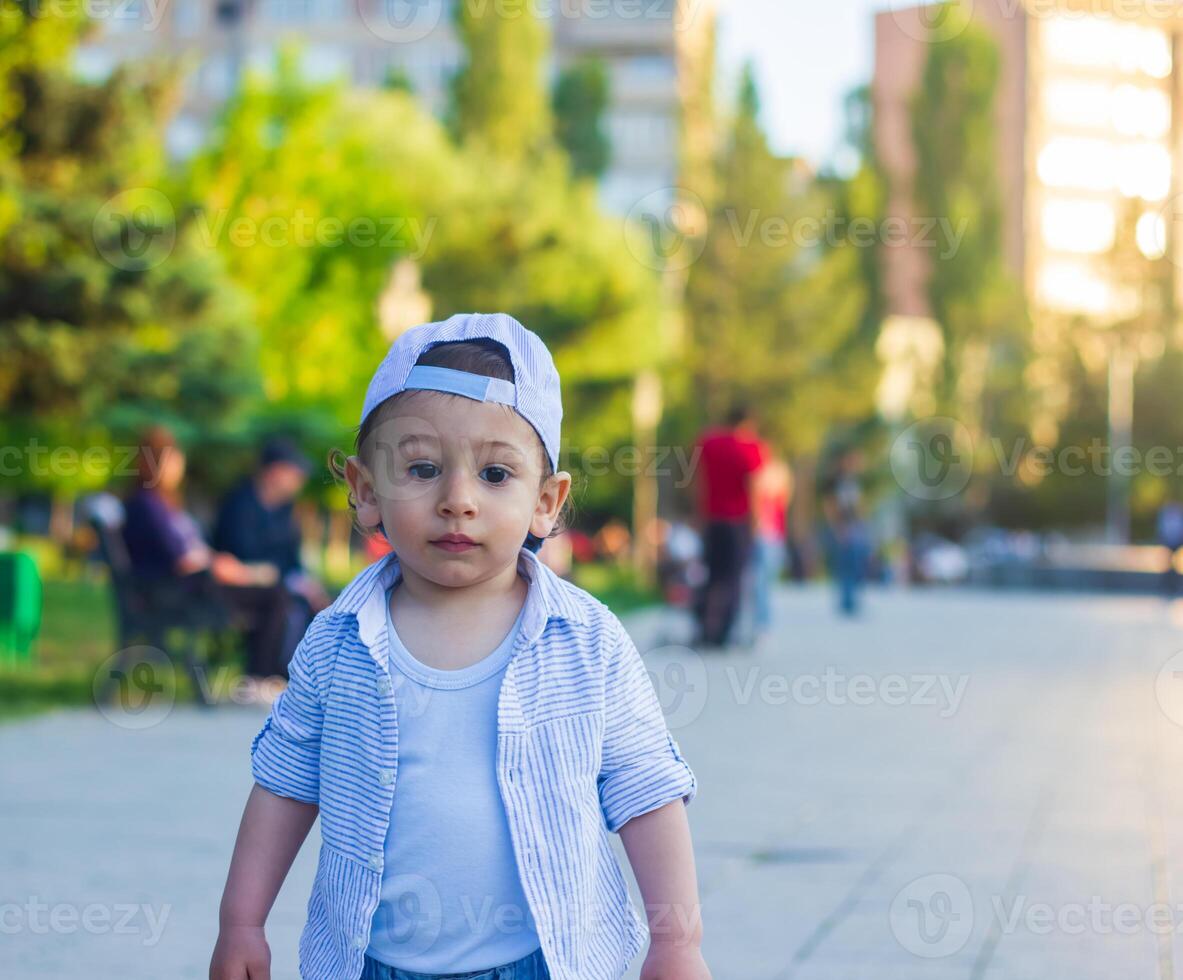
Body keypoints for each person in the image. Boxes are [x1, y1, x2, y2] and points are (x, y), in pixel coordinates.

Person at [210, 314, 708, 980]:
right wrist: (242, 923)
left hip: (543, 961)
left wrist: (676, 943)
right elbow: (284, 786)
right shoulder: (338, 639)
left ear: (546, 502)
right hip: (370, 962)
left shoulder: (585, 643)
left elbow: (647, 792)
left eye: (496, 475)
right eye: (421, 468)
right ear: (365, 492)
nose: (457, 501)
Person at [121, 426, 291, 682]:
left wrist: (226, 566)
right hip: (177, 593)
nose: (179, 468)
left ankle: (261, 677)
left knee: (273, 591)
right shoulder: (146, 506)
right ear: (155, 463)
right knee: (275, 596)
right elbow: (180, 559)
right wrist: (221, 567)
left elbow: (190, 551)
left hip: (191, 586)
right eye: (173, 460)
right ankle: (258, 678)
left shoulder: (163, 505)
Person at [213, 438, 332, 666]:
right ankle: (263, 674)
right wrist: (282, 576)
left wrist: (304, 582)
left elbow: (292, 559)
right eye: (294, 472)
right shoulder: (239, 504)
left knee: (321, 599)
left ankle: (305, 672)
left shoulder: (285, 511)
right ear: (274, 471)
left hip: (276, 582)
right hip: (235, 586)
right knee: (281, 598)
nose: (299, 480)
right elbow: (237, 554)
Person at [691, 405, 767, 648]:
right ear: (747, 424)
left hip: (712, 520)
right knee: (733, 578)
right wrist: (756, 523)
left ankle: (704, 627)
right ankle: (724, 632)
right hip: (738, 522)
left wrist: (699, 515)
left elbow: (697, 481)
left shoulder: (709, 442)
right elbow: (754, 487)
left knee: (711, 575)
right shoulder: (751, 447)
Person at [821, 448, 870, 617]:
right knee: (845, 564)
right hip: (843, 525)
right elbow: (830, 505)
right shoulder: (836, 481)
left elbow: (858, 503)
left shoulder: (854, 480)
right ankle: (846, 601)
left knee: (857, 563)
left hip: (855, 525)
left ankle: (853, 600)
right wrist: (837, 527)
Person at [747, 457, 793, 640]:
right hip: (761, 536)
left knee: (765, 581)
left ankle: (761, 622)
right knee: (759, 581)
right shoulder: (758, 496)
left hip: (775, 536)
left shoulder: (778, 498)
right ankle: (760, 623)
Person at [1158, 493, 1183, 597]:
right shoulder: (1166, 516)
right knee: (1168, 565)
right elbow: (1163, 530)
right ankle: (1167, 586)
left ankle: (1175, 586)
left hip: (1176, 542)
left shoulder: (1177, 516)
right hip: (1169, 542)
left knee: (1175, 565)